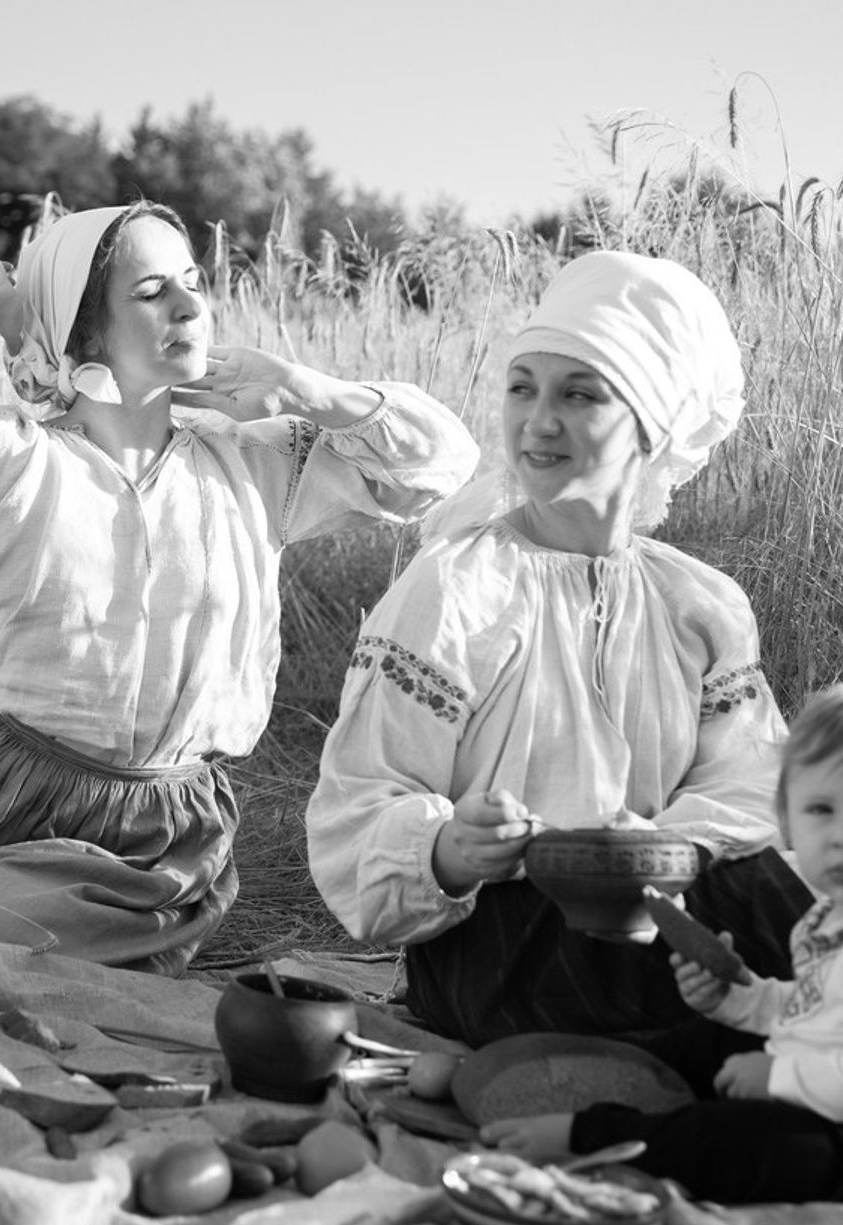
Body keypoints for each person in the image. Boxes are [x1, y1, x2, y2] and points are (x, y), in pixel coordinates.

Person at [0, 201, 479, 976]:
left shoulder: (258, 466)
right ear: (81, 332)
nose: (190, 306)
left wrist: (303, 388)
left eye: (192, 282)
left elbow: (440, 464)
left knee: (44, 942)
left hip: (158, 837)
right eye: (150, 292)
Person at [307, 249, 814, 1048]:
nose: (538, 421)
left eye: (579, 394)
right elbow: (355, 805)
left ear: (653, 425)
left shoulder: (701, 603)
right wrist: (449, 847)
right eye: (522, 387)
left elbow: (756, 787)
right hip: (507, 946)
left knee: (802, 899)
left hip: (667, 920)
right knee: (780, 998)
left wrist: (662, 849)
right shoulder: (458, 587)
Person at [481, 686, 843, 1204]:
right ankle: (581, 1080)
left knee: (742, 1141)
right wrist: (738, 999)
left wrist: (780, 1077)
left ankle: (602, 1138)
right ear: (786, 820)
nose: (839, 836)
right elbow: (813, 1013)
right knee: (703, 1040)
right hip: (814, 1074)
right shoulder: (824, 921)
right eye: (821, 810)